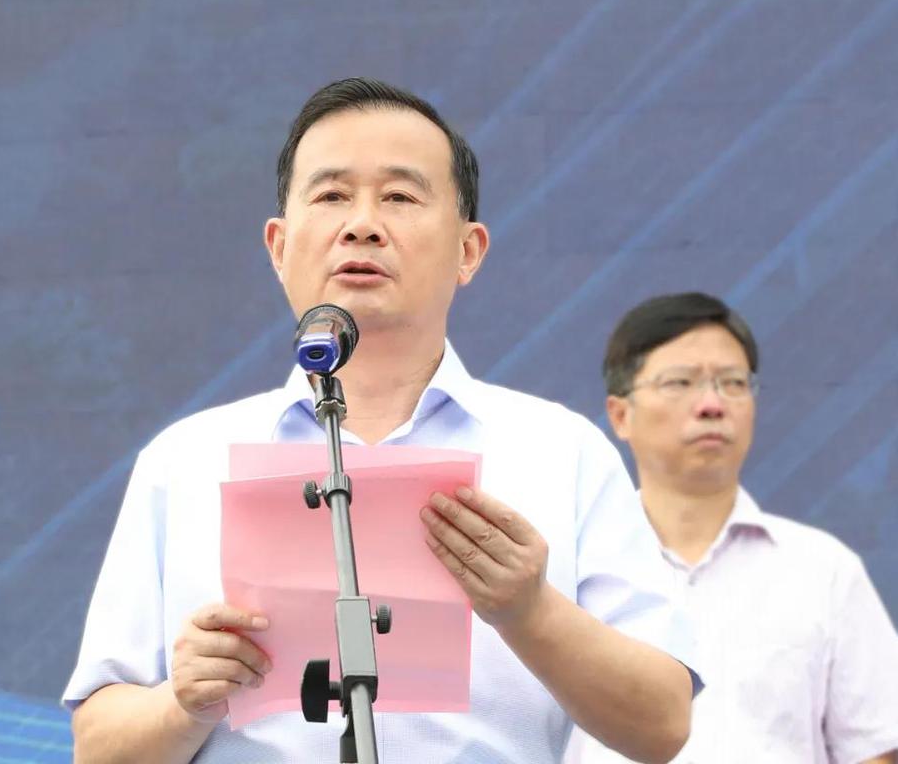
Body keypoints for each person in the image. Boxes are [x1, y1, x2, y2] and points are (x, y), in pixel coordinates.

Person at [64, 78, 697, 763]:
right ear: (278, 247)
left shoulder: (558, 452)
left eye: (399, 196)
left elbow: (660, 724)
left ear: (468, 251)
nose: (362, 224)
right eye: (331, 195)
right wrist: (183, 702)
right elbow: (97, 748)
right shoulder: (186, 460)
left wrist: (530, 611)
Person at [564, 292, 898, 763]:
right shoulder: (571, 570)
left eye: (733, 383)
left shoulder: (824, 570)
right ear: (620, 415)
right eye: (680, 382)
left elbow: (875, 747)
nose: (711, 405)